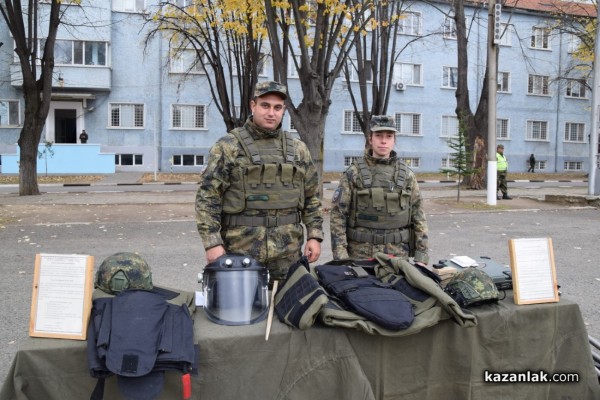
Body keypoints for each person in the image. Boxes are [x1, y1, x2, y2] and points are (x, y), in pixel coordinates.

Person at [195, 81, 323, 282]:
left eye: (278, 107)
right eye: (265, 105)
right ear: (252, 105)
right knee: (240, 311)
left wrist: (314, 236)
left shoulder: (298, 149)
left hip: (288, 254)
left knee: (288, 309)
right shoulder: (228, 146)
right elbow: (208, 197)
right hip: (240, 252)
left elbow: (312, 197)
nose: (271, 113)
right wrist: (212, 243)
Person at [329, 115, 429, 267]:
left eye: (389, 136)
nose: (383, 141)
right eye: (378, 135)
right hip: (360, 256)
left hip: (397, 256)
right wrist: (341, 256)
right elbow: (338, 215)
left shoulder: (407, 175)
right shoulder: (353, 173)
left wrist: (421, 256)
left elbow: (418, 215)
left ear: (394, 140)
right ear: (370, 138)